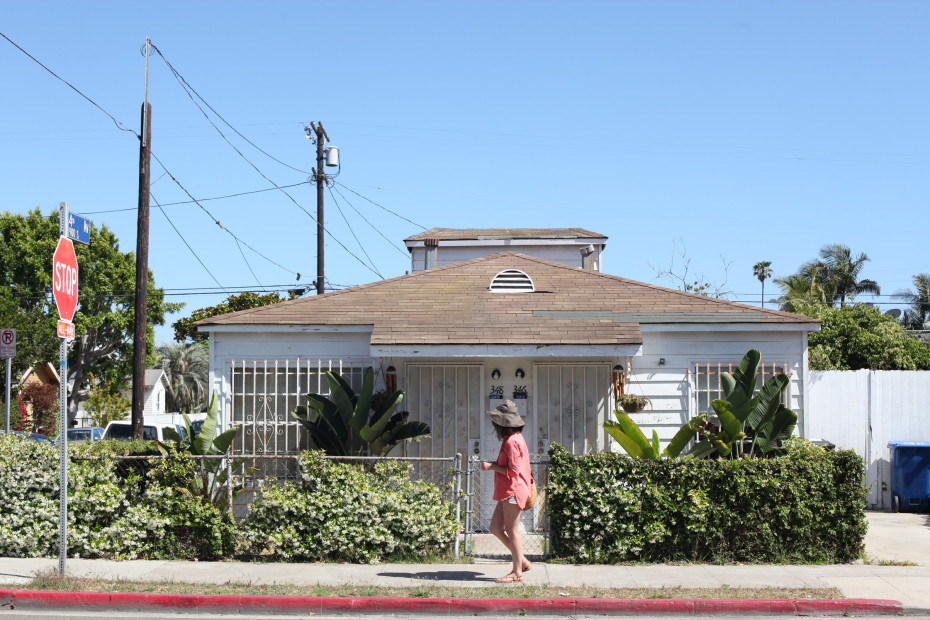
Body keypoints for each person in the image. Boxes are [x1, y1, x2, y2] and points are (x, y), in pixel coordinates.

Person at [481, 400, 532, 583]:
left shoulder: (511, 442)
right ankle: (522, 561)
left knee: (513, 531)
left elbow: (512, 471)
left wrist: (491, 466)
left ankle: (517, 572)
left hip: (513, 490)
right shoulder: (514, 438)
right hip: (509, 491)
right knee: (495, 527)